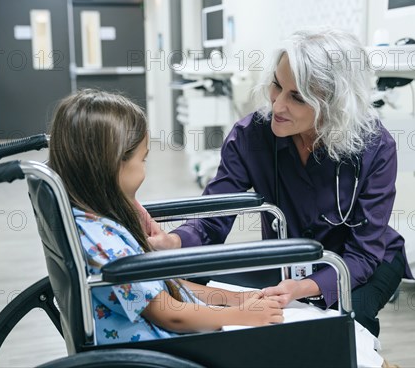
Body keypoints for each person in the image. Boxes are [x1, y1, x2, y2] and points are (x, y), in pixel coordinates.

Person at [149, 28, 413, 338]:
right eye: (277, 84)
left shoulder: (374, 147)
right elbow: (212, 221)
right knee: (199, 284)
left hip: (360, 264)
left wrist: (305, 288)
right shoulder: (251, 136)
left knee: (347, 327)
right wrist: (175, 242)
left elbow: (365, 254)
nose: (277, 105)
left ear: (334, 104)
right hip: (289, 261)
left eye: (297, 97)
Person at [48, 89, 284, 345]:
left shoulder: (93, 222)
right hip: (165, 348)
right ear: (113, 165)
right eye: (143, 159)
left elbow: (166, 286)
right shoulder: (103, 242)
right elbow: (171, 315)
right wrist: (241, 316)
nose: (145, 168)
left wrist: (232, 298)